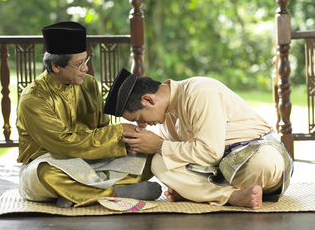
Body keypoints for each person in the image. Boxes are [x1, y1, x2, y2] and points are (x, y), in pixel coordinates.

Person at [103, 68, 293, 210]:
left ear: (148, 100)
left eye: (139, 118)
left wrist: (160, 146)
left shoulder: (199, 91)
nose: (142, 125)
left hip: (256, 152)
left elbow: (209, 152)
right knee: (159, 164)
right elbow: (178, 156)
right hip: (218, 170)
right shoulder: (163, 117)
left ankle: (200, 193)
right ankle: (232, 196)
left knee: (262, 165)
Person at [16, 22, 161, 208]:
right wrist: (117, 133)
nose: (85, 68)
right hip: (52, 162)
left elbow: (100, 130)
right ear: (55, 66)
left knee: (150, 158)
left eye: (86, 61)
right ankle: (116, 192)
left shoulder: (89, 84)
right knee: (46, 174)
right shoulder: (33, 98)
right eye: (78, 64)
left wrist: (127, 142)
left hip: (92, 162)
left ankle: (78, 194)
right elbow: (64, 144)